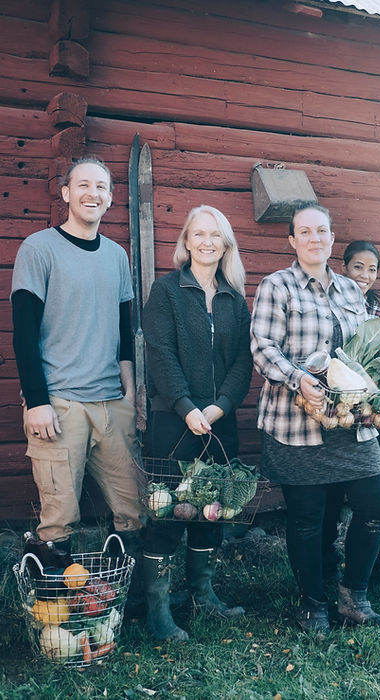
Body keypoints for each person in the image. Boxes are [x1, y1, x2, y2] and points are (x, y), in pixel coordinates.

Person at [251, 203, 380, 633]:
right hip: (296, 424)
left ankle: (353, 596)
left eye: (322, 232)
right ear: (293, 241)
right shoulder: (277, 286)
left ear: (332, 239)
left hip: (351, 423)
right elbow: (262, 347)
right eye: (305, 232)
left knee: (376, 502)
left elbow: (363, 353)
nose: (315, 238)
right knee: (307, 518)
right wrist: (297, 378)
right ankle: (313, 604)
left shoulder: (352, 292)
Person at [11, 158, 143, 581]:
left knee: (134, 506)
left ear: (110, 198)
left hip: (111, 402)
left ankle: (125, 598)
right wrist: (37, 402)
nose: (93, 193)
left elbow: (124, 330)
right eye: (83, 185)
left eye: (101, 187)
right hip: (59, 402)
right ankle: (57, 608)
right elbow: (24, 332)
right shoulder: (38, 248)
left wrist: (130, 392)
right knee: (59, 514)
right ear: (65, 193)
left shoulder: (117, 256)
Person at [142, 205, 252, 642]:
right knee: (167, 510)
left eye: (216, 235)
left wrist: (220, 406)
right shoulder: (166, 291)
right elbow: (160, 354)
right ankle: (159, 611)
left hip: (219, 421)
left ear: (225, 244)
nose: (207, 241)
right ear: (186, 242)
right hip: (174, 421)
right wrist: (188, 407)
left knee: (213, 510)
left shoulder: (234, 298)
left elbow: (244, 362)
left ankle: (202, 596)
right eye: (199, 234)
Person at [321, 240, 380, 580]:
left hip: (373, 419)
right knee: (328, 495)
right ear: (344, 268)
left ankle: (370, 562)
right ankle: (326, 562)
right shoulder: (327, 306)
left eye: (372, 269)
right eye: (358, 267)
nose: (365, 276)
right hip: (332, 416)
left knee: (373, 495)